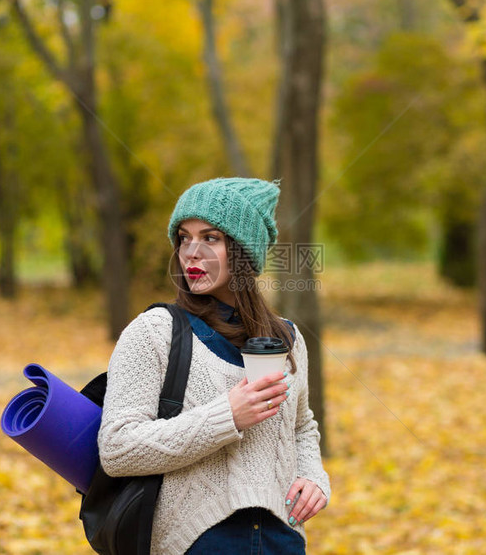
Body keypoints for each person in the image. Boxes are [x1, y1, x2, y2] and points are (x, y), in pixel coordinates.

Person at [98, 177, 330, 554]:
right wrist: (227, 416)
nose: (192, 252)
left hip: (281, 540)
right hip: (193, 542)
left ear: (243, 252)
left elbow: (302, 426)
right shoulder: (155, 332)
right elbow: (117, 448)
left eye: (210, 238)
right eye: (184, 238)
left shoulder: (288, 339)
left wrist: (314, 477)